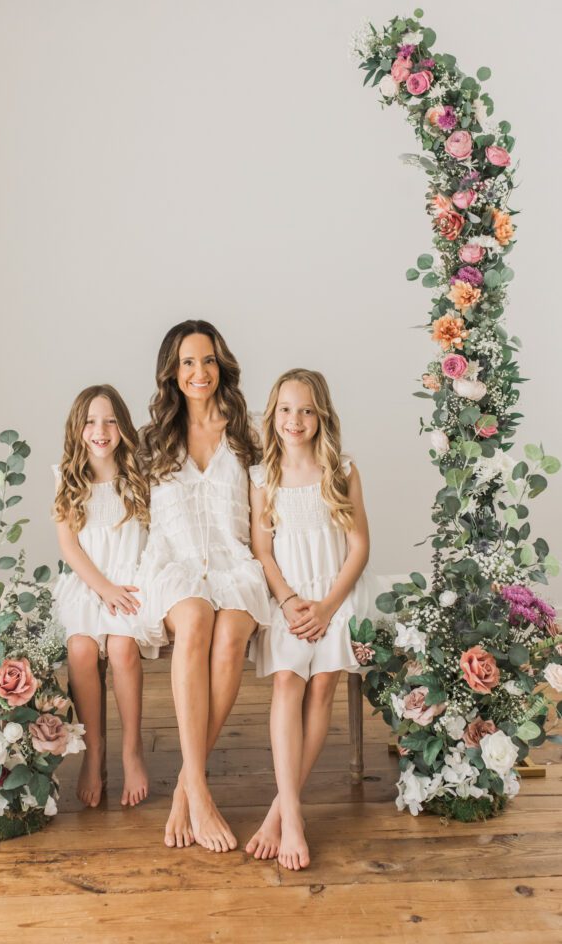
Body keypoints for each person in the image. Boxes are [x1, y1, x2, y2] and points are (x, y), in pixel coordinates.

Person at [137, 319, 272, 852]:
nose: (200, 372)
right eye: (188, 362)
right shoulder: (151, 440)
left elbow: (283, 494)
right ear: (172, 371)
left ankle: (185, 789)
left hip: (236, 563)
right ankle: (199, 789)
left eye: (209, 360)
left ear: (222, 366)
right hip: (174, 564)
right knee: (194, 619)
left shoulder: (249, 433)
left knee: (231, 633)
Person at [246, 369, 374, 870]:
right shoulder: (263, 477)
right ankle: (293, 815)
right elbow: (262, 550)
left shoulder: (341, 470)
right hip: (290, 598)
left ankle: (281, 813)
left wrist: (327, 606)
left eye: (305, 410)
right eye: (285, 409)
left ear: (321, 416)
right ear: (273, 414)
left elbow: (359, 547)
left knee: (322, 688)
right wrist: (288, 600)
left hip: (336, 594)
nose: (294, 420)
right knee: (287, 681)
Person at [53, 385, 153, 808]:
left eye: (110, 421)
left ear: (123, 427)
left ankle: (131, 749)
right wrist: (103, 588)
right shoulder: (67, 479)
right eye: (91, 422)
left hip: (131, 580)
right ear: (77, 429)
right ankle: (94, 752)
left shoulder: (138, 475)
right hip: (89, 583)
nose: (101, 430)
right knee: (80, 649)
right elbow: (70, 547)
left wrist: (120, 589)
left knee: (122, 647)